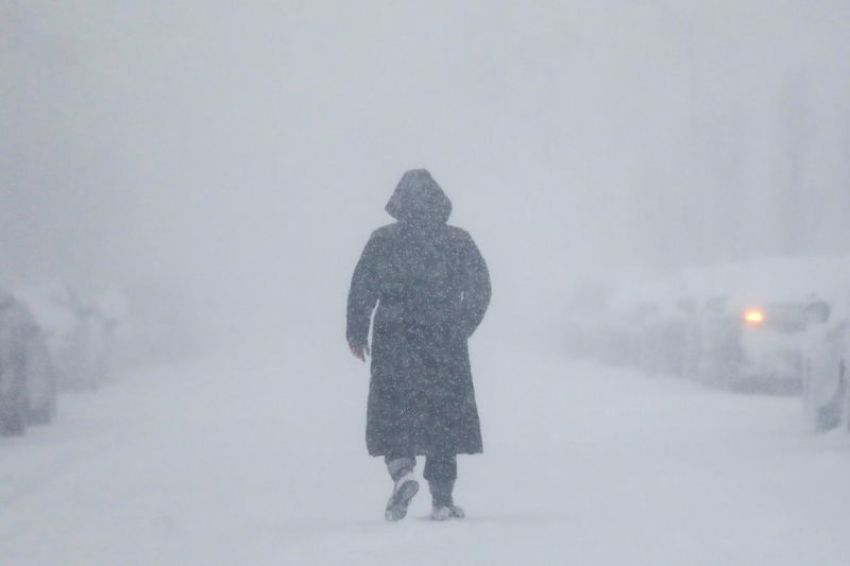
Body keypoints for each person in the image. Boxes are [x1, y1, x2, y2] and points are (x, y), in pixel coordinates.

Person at [347, 169, 491, 522]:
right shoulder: (458, 240)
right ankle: (442, 499)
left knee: (395, 405)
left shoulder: (382, 240)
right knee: (443, 413)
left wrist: (356, 331)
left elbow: (362, 287)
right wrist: (461, 324)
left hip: (394, 335)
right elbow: (481, 287)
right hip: (443, 335)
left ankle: (402, 472)